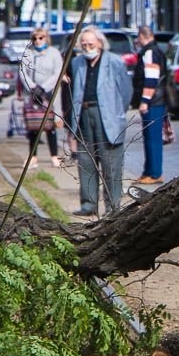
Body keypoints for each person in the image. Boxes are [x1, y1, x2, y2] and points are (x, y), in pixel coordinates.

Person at [70, 27, 130, 218]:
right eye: (84, 44)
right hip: (83, 115)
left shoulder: (114, 61)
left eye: (91, 44)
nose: (87, 48)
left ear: (100, 43)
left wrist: (117, 113)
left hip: (108, 117)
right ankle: (88, 204)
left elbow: (126, 92)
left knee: (111, 164)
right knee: (86, 162)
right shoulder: (76, 62)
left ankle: (112, 208)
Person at [19, 27, 65, 169]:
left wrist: (44, 87)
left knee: (50, 126)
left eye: (41, 38)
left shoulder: (54, 53)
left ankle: (54, 156)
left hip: (49, 93)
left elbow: (58, 72)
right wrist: (32, 87)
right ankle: (33, 157)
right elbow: (22, 72)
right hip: (33, 94)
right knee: (33, 126)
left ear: (46, 38)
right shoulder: (28, 53)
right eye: (35, 38)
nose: (38, 41)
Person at [131, 26, 168, 184]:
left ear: (142, 36)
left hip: (153, 101)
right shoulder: (152, 51)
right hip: (154, 100)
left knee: (153, 138)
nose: (136, 41)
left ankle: (155, 173)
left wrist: (145, 101)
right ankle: (148, 171)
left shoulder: (150, 52)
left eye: (137, 37)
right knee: (149, 137)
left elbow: (152, 79)